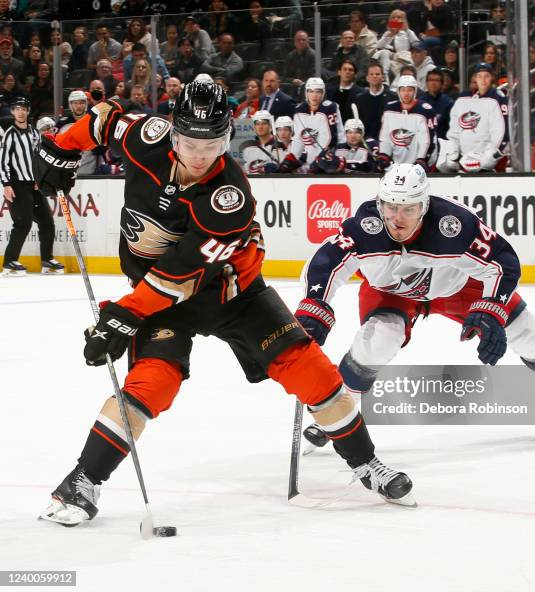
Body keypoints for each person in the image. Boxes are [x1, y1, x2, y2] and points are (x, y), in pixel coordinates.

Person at [34, 81, 414, 525]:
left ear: (228, 138)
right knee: (153, 382)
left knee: (311, 369)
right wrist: (60, 148)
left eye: (212, 143)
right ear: (173, 133)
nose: (200, 154)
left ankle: (365, 462)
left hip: (232, 293)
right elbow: (104, 120)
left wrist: (123, 315)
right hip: (162, 298)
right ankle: (81, 482)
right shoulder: (148, 137)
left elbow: (181, 274)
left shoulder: (229, 197)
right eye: (191, 142)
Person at [297, 163, 535, 448]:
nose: (397, 219)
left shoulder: (454, 224)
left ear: (424, 206)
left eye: (409, 209)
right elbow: (325, 264)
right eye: (391, 207)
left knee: (529, 332)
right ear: (380, 203)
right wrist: (314, 306)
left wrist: (491, 306)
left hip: (459, 285)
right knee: (376, 342)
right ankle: (338, 413)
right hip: (393, 292)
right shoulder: (364, 227)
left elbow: (502, 262)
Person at [1, 97, 63, 276]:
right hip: (17, 185)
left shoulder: (34, 133)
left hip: (34, 186)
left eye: (23, 108)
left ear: (28, 111)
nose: (20, 112)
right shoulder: (10, 135)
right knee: (22, 224)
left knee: (47, 222)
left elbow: (38, 158)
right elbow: (3, 162)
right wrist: (6, 184)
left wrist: (39, 179)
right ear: (12, 112)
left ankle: (46, 259)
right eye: (16, 108)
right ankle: (10, 262)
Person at [438, 62, 508, 174]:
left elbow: (502, 132)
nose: (483, 80)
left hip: (489, 163)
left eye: (487, 76)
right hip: (465, 161)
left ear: (492, 78)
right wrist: (453, 154)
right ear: (475, 78)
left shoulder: (498, 98)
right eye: (480, 76)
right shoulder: (463, 98)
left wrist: (491, 156)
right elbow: (454, 131)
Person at [279, 77, 345, 172]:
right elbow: (298, 138)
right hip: (310, 158)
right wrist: (292, 156)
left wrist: (319, 158)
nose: (314, 95)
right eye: (311, 91)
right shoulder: (299, 110)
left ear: (323, 93)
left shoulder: (330, 108)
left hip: (330, 155)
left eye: (318, 91)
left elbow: (328, 138)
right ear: (306, 93)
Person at [378, 75, 437, 171]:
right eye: (403, 90)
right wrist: (384, 155)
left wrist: (422, 159)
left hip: (419, 165)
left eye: (409, 90)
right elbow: (385, 137)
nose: (406, 93)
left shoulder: (425, 111)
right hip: (395, 165)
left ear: (415, 91)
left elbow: (427, 141)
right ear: (398, 91)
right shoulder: (389, 109)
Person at [354, 63, 397, 141]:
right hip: (366, 141)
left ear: (383, 77)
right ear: (367, 78)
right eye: (371, 74)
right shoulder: (360, 99)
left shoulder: (393, 97)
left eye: (377, 74)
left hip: (387, 141)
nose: (374, 76)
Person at [240, 109, 286, 174]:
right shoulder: (248, 148)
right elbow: (246, 171)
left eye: (264, 123)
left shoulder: (280, 145)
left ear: (270, 126)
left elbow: (284, 172)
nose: (260, 127)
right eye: (257, 124)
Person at [325, 59, 365, 124]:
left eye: (350, 70)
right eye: (345, 69)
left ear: (355, 74)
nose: (347, 72)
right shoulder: (329, 91)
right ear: (339, 72)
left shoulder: (361, 93)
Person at [421, 68, 453, 139]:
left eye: (437, 80)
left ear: (442, 83)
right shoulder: (420, 102)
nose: (433, 83)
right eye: (431, 80)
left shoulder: (448, 103)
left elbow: (451, 128)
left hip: (443, 141)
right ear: (426, 83)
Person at [283, 30, 315, 101]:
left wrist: (302, 83)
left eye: (303, 40)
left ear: (307, 41)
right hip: (293, 86)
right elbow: (285, 76)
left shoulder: (313, 55)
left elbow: (314, 75)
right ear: (294, 42)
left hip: (308, 87)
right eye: (298, 40)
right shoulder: (290, 56)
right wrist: (293, 80)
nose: (301, 42)